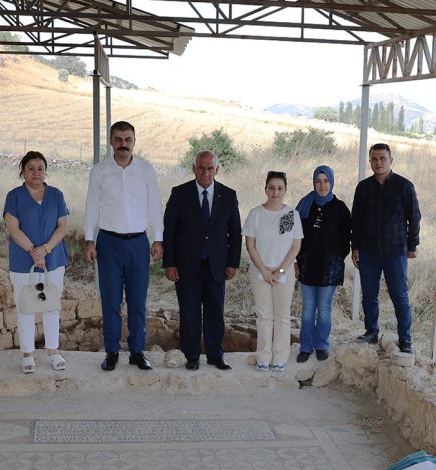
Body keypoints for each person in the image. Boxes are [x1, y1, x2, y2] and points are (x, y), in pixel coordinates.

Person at [82, 121, 163, 372]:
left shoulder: (147, 171)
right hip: (108, 244)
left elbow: (154, 207)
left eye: (128, 139)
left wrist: (158, 238)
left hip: (138, 243)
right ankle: (112, 351)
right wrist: (89, 240)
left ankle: (137, 351)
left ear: (134, 141)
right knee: (111, 300)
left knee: (138, 300)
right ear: (110, 141)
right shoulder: (99, 172)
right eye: (118, 139)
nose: (123, 144)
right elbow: (92, 207)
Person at [162, 150, 242, 371]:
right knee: (189, 312)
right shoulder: (179, 193)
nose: (205, 172)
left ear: (217, 169)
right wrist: (169, 263)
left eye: (210, 168)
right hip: (186, 266)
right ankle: (191, 355)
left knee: (215, 311)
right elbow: (169, 230)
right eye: (201, 167)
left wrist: (232, 263)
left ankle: (216, 355)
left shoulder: (228, 195)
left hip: (216, 266)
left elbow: (235, 232)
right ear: (194, 168)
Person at [3, 151, 69, 374]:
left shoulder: (56, 195)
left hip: (53, 260)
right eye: (31, 168)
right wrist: (34, 251)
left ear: (45, 170)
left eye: (40, 168)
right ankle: (27, 354)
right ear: (22, 171)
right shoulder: (14, 196)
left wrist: (46, 250)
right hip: (24, 262)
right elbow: (13, 228)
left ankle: (53, 351)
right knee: (26, 308)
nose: (36, 173)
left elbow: (63, 226)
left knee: (51, 305)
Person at [351, 142, 421, 353]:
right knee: (369, 294)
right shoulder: (363, 187)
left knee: (399, 295)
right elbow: (357, 219)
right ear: (370, 161)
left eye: (383, 158)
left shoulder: (404, 186)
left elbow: (414, 216)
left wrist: (412, 244)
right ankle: (371, 331)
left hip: (395, 251)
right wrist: (355, 247)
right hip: (369, 251)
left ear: (391, 160)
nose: (378, 162)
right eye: (374, 158)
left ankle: (405, 340)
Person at [243, 171, 304, 371]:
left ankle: (280, 356)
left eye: (279, 188)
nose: (275, 192)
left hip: (282, 273)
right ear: (265, 188)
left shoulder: (290, 214)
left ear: (285, 190)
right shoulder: (256, 214)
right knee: (264, 315)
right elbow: (250, 246)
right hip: (260, 271)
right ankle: (263, 355)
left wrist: (279, 270)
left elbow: (294, 246)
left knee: (282, 315)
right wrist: (265, 270)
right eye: (271, 187)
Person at [294, 165, 351, 363]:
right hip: (307, 265)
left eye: (326, 181)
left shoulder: (340, 208)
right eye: (318, 181)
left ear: (332, 182)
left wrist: (334, 257)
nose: (322, 185)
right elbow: (293, 235)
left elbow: (346, 240)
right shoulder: (304, 205)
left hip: (329, 267)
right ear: (313, 182)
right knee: (308, 308)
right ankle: (306, 346)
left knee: (324, 308)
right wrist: (296, 260)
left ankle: (321, 345)